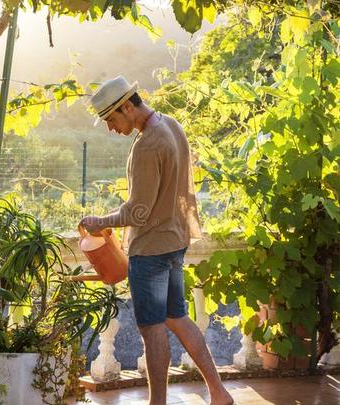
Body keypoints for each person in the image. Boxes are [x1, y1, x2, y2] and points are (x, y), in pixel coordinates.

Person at [79, 76, 233, 405]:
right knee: (177, 316)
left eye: (111, 119)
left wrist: (99, 222)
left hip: (150, 250)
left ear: (126, 106)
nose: (110, 128)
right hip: (175, 241)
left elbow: (138, 212)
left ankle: (157, 404)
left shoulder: (148, 145)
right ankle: (219, 393)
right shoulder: (171, 125)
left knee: (152, 330)